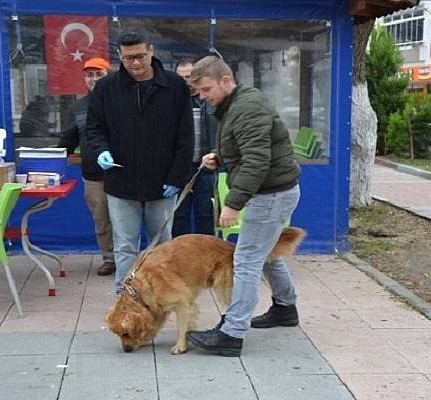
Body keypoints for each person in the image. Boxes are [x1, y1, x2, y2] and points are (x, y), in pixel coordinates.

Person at [186, 56, 301, 357]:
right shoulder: (235, 105)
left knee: (246, 261)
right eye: (198, 92)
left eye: (205, 89)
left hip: (270, 195)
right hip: (274, 192)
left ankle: (231, 333)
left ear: (226, 80)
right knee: (266, 256)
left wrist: (233, 204)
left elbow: (257, 160)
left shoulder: (247, 107)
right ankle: (285, 308)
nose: (202, 97)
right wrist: (220, 158)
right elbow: (249, 149)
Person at [85, 29, 193, 294]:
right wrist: (101, 150)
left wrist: (177, 177)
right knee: (125, 247)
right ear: (120, 56)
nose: (135, 63)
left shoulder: (174, 86)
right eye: (128, 58)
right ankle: (126, 300)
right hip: (121, 182)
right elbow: (94, 128)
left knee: (162, 247)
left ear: (151, 51)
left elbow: (186, 135)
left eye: (140, 56)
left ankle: (161, 296)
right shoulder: (106, 87)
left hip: (162, 182)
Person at [57, 57, 115, 276]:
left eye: (98, 74)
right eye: (89, 75)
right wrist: (52, 159)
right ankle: (109, 259)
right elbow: (68, 139)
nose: (93, 79)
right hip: (93, 176)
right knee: (101, 219)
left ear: (108, 75)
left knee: (125, 220)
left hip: (123, 173)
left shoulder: (122, 102)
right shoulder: (78, 107)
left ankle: (128, 259)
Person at [172, 58, 217, 237]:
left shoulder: (210, 101)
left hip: (204, 167)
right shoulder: (171, 102)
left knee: (205, 214)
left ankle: (206, 257)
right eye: (181, 77)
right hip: (179, 168)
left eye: (189, 77)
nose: (185, 81)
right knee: (178, 215)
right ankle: (180, 257)